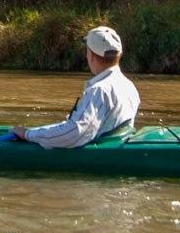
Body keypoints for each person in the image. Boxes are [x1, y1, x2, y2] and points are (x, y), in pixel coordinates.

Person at [11, 26, 139, 148]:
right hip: (114, 143)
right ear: (120, 55)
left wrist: (28, 134)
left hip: (97, 154)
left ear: (91, 55)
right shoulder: (129, 86)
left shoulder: (99, 90)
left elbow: (76, 133)